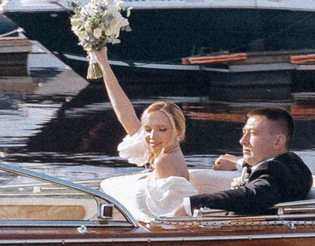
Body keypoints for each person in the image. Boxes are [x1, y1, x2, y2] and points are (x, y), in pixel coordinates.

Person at [85, 43, 222, 219]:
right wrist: (104, 64)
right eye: (148, 129)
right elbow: (125, 114)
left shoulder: (165, 162)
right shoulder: (166, 151)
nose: (151, 137)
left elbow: (174, 216)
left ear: (179, 132)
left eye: (162, 129)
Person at [190, 106, 313, 216]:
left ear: (278, 141)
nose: (243, 140)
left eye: (253, 134)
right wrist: (237, 163)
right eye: (244, 132)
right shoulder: (292, 162)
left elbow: (254, 194)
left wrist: (192, 203)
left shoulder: (277, 174)